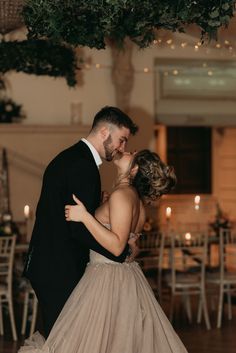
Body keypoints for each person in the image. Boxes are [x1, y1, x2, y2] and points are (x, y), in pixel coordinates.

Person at [19, 150, 188, 353]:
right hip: (120, 276)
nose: (127, 151)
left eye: (132, 154)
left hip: (106, 278)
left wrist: (84, 216)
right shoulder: (134, 200)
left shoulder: (122, 196)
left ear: (134, 169)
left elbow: (117, 247)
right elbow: (128, 247)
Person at [22, 106, 138, 337]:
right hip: (59, 267)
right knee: (63, 341)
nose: (122, 148)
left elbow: (74, 214)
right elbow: (77, 227)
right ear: (104, 131)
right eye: (121, 140)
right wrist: (120, 252)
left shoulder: (74, 158)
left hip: (51, 264)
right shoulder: (82, 166)